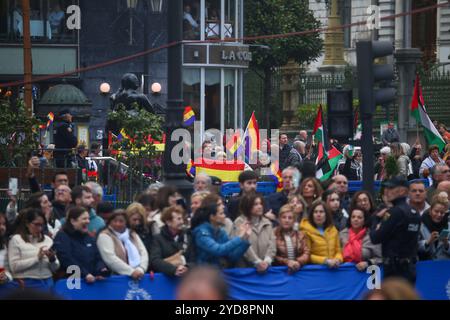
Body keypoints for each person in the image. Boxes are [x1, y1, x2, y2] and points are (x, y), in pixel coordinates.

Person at [370, 176, 421, 284]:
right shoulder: (414, 212)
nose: (387, 191)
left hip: (395, 270)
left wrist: (376, 219)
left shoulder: (394, 212)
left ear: (402, 191)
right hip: (409, 268)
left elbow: (375, 237)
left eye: (391, 188)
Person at [53, 206, 109, 283]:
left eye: (88, 218)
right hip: (72, 283)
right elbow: (66, 259)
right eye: (84, 219)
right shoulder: (62, 236)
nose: (88, 221)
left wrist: (101, 269)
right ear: (73, 221)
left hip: (91, 282)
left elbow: (97, 256)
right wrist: (85, 274)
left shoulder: (88, 237)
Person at [8, 208, 60, 290]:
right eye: (36, 224)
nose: (40, 229)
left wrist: (52, 259)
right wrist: (36, 258)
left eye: (42, 225)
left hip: (48, 281)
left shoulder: (48, 239)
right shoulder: (16, 239)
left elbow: (55, 268)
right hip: (28, 283)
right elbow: (14, 267)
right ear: (27, 224)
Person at [191, 197, 251, 268]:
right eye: (221, 214)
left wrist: (245, 239)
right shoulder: (201, 233)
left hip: (217, 272)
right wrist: (239, 237)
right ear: (212, 217)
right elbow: (219, 250)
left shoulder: (220, 232)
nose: (225, 216)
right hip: (203, 274)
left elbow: (231, 256)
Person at [97, 210, 148, 279]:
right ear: (110, 222)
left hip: (138, 274)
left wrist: (141, 269)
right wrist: (131, 272)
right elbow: (110, 258)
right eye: (115, 221)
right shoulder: (105, 235)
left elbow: (143, 253)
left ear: (126, 223)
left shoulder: (132, 234)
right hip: (115, 278)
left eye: (121, 221)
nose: (118, 224)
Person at [233, 194, 276, 273]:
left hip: (266, 267)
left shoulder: (267, 222)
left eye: (260, 204)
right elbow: (243, 245)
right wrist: (257, 261)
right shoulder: (239, 222)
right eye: (255, 204)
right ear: (247, 206)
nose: (260, 206)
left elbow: (272, 243)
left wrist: (267, 260)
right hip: (246, 269)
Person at [150, 206, 195, 277]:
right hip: (165, 280)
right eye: (178, 219)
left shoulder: (187, 237)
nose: (182, 222)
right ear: (168, 222)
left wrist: (186, 268)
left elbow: (194, 259)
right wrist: (174, 269)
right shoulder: (158, 239)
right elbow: (155, 261)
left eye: (182, 218)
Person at [300, 200, 343, 267]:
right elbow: (307, 255)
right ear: (312, 214)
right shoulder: (305, 231)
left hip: (333, 269)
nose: (318, 214)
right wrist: (325, 261)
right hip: (316, 270)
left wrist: (338, 259)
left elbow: (338, 251)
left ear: (326, 214)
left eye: (321, 212)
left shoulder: (333, 230)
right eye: (315, 212)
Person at [273, 205, 310, 273]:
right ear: (279, 219)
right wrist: (287, 262)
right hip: (279, 271)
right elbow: (272, 254)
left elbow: (306, 252)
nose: (287, 220)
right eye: (284, 217)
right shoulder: (273, 233)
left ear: (294, 220)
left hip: (298, 269)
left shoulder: (301, 234)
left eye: (290, 218)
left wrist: (298, 262)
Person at [418, 196, 450, 260]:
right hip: (426, 264)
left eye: (442, 212)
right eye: (436, 211)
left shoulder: (448, 226)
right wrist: (428, 242)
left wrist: (446, 244)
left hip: (444, 264)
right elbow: (414, 247)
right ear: (430, 210)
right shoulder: (420, 225)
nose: (439, 215)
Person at [0, 213, 12, 285]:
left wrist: (6, 277)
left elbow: (8, 270)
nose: (2, 227)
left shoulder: (5, 246)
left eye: (4, 224)